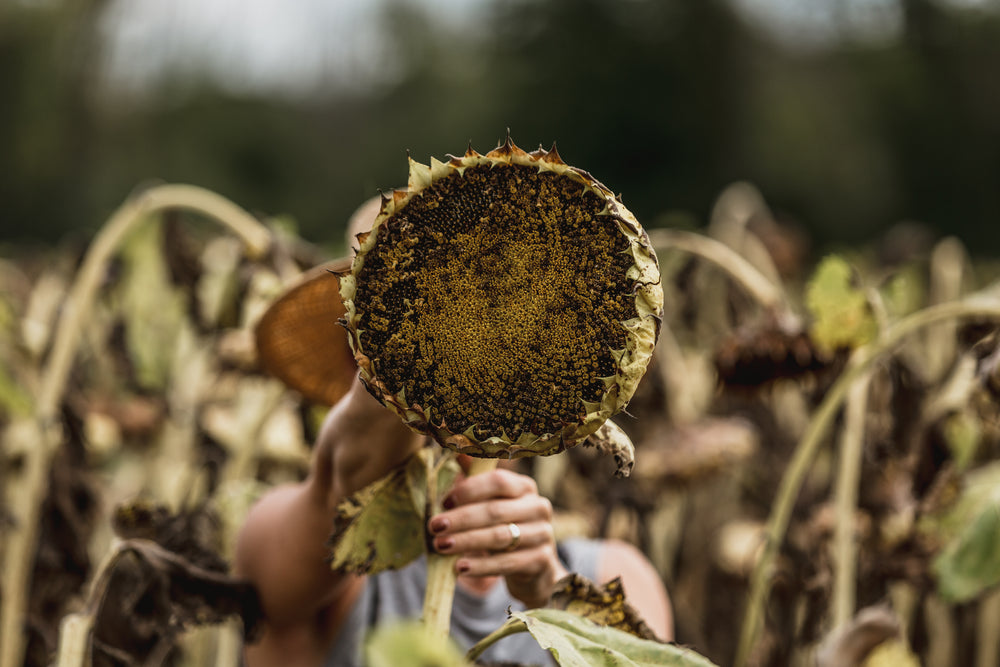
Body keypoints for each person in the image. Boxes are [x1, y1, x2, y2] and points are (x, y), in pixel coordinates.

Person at [235, 198, 674, 666]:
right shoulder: (305, 555)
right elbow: (345, 480)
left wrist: (549, 590)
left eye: (495, 330)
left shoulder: (614, 574)